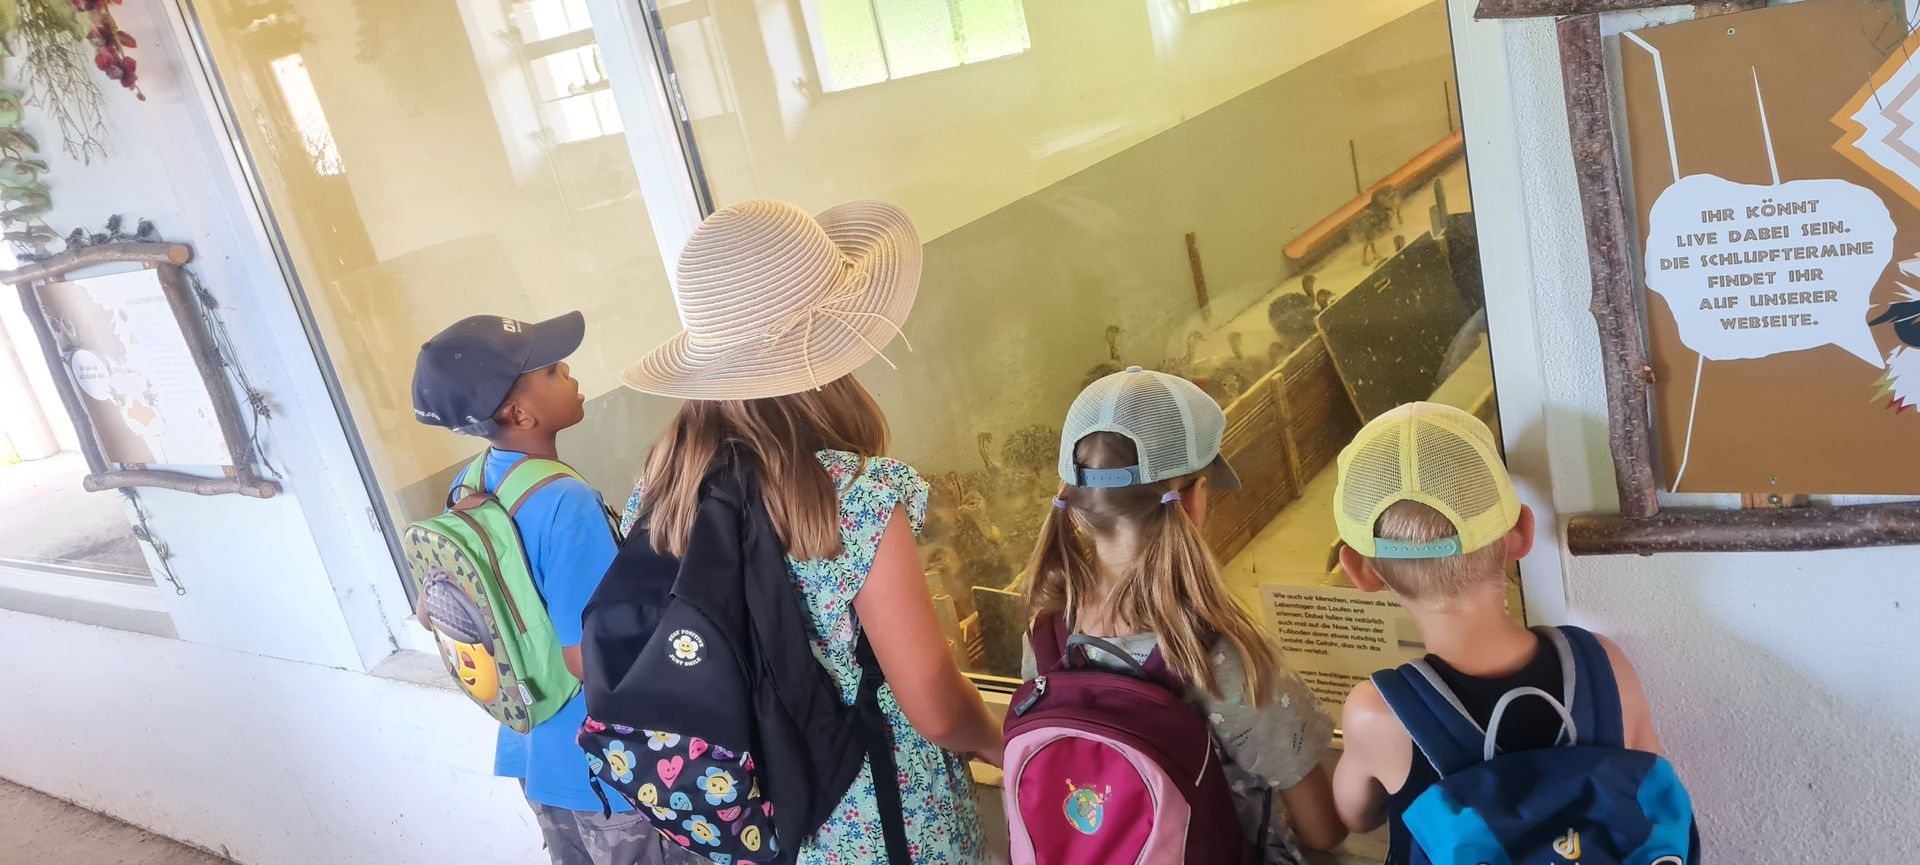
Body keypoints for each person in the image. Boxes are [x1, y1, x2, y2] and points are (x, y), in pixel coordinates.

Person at [620, 199, 1000, 864]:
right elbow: (936, 706)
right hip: (882, 817)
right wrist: (1003, 741)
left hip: (755, 820)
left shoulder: (662, 490)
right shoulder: (854, 498)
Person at [1020, 366, 1348, 862]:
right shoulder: (1222, 656)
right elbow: (1322, 831)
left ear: (1078, 505)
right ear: (1193, 500)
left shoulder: (1045, 638)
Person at [1328, 402, 1667, 863]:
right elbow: (1655, 795)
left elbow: (1356, 816)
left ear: (1359, 570)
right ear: (1522, 533)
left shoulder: (1378, 712)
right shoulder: (1603, 663)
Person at [411, 312, 693, 865]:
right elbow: (587, 657)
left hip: (534, 749)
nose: (568, 370)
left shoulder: (470, 484)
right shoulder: (567, 502)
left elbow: (430, 613)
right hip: (606, 771)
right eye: (551, 370)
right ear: (520, 414)